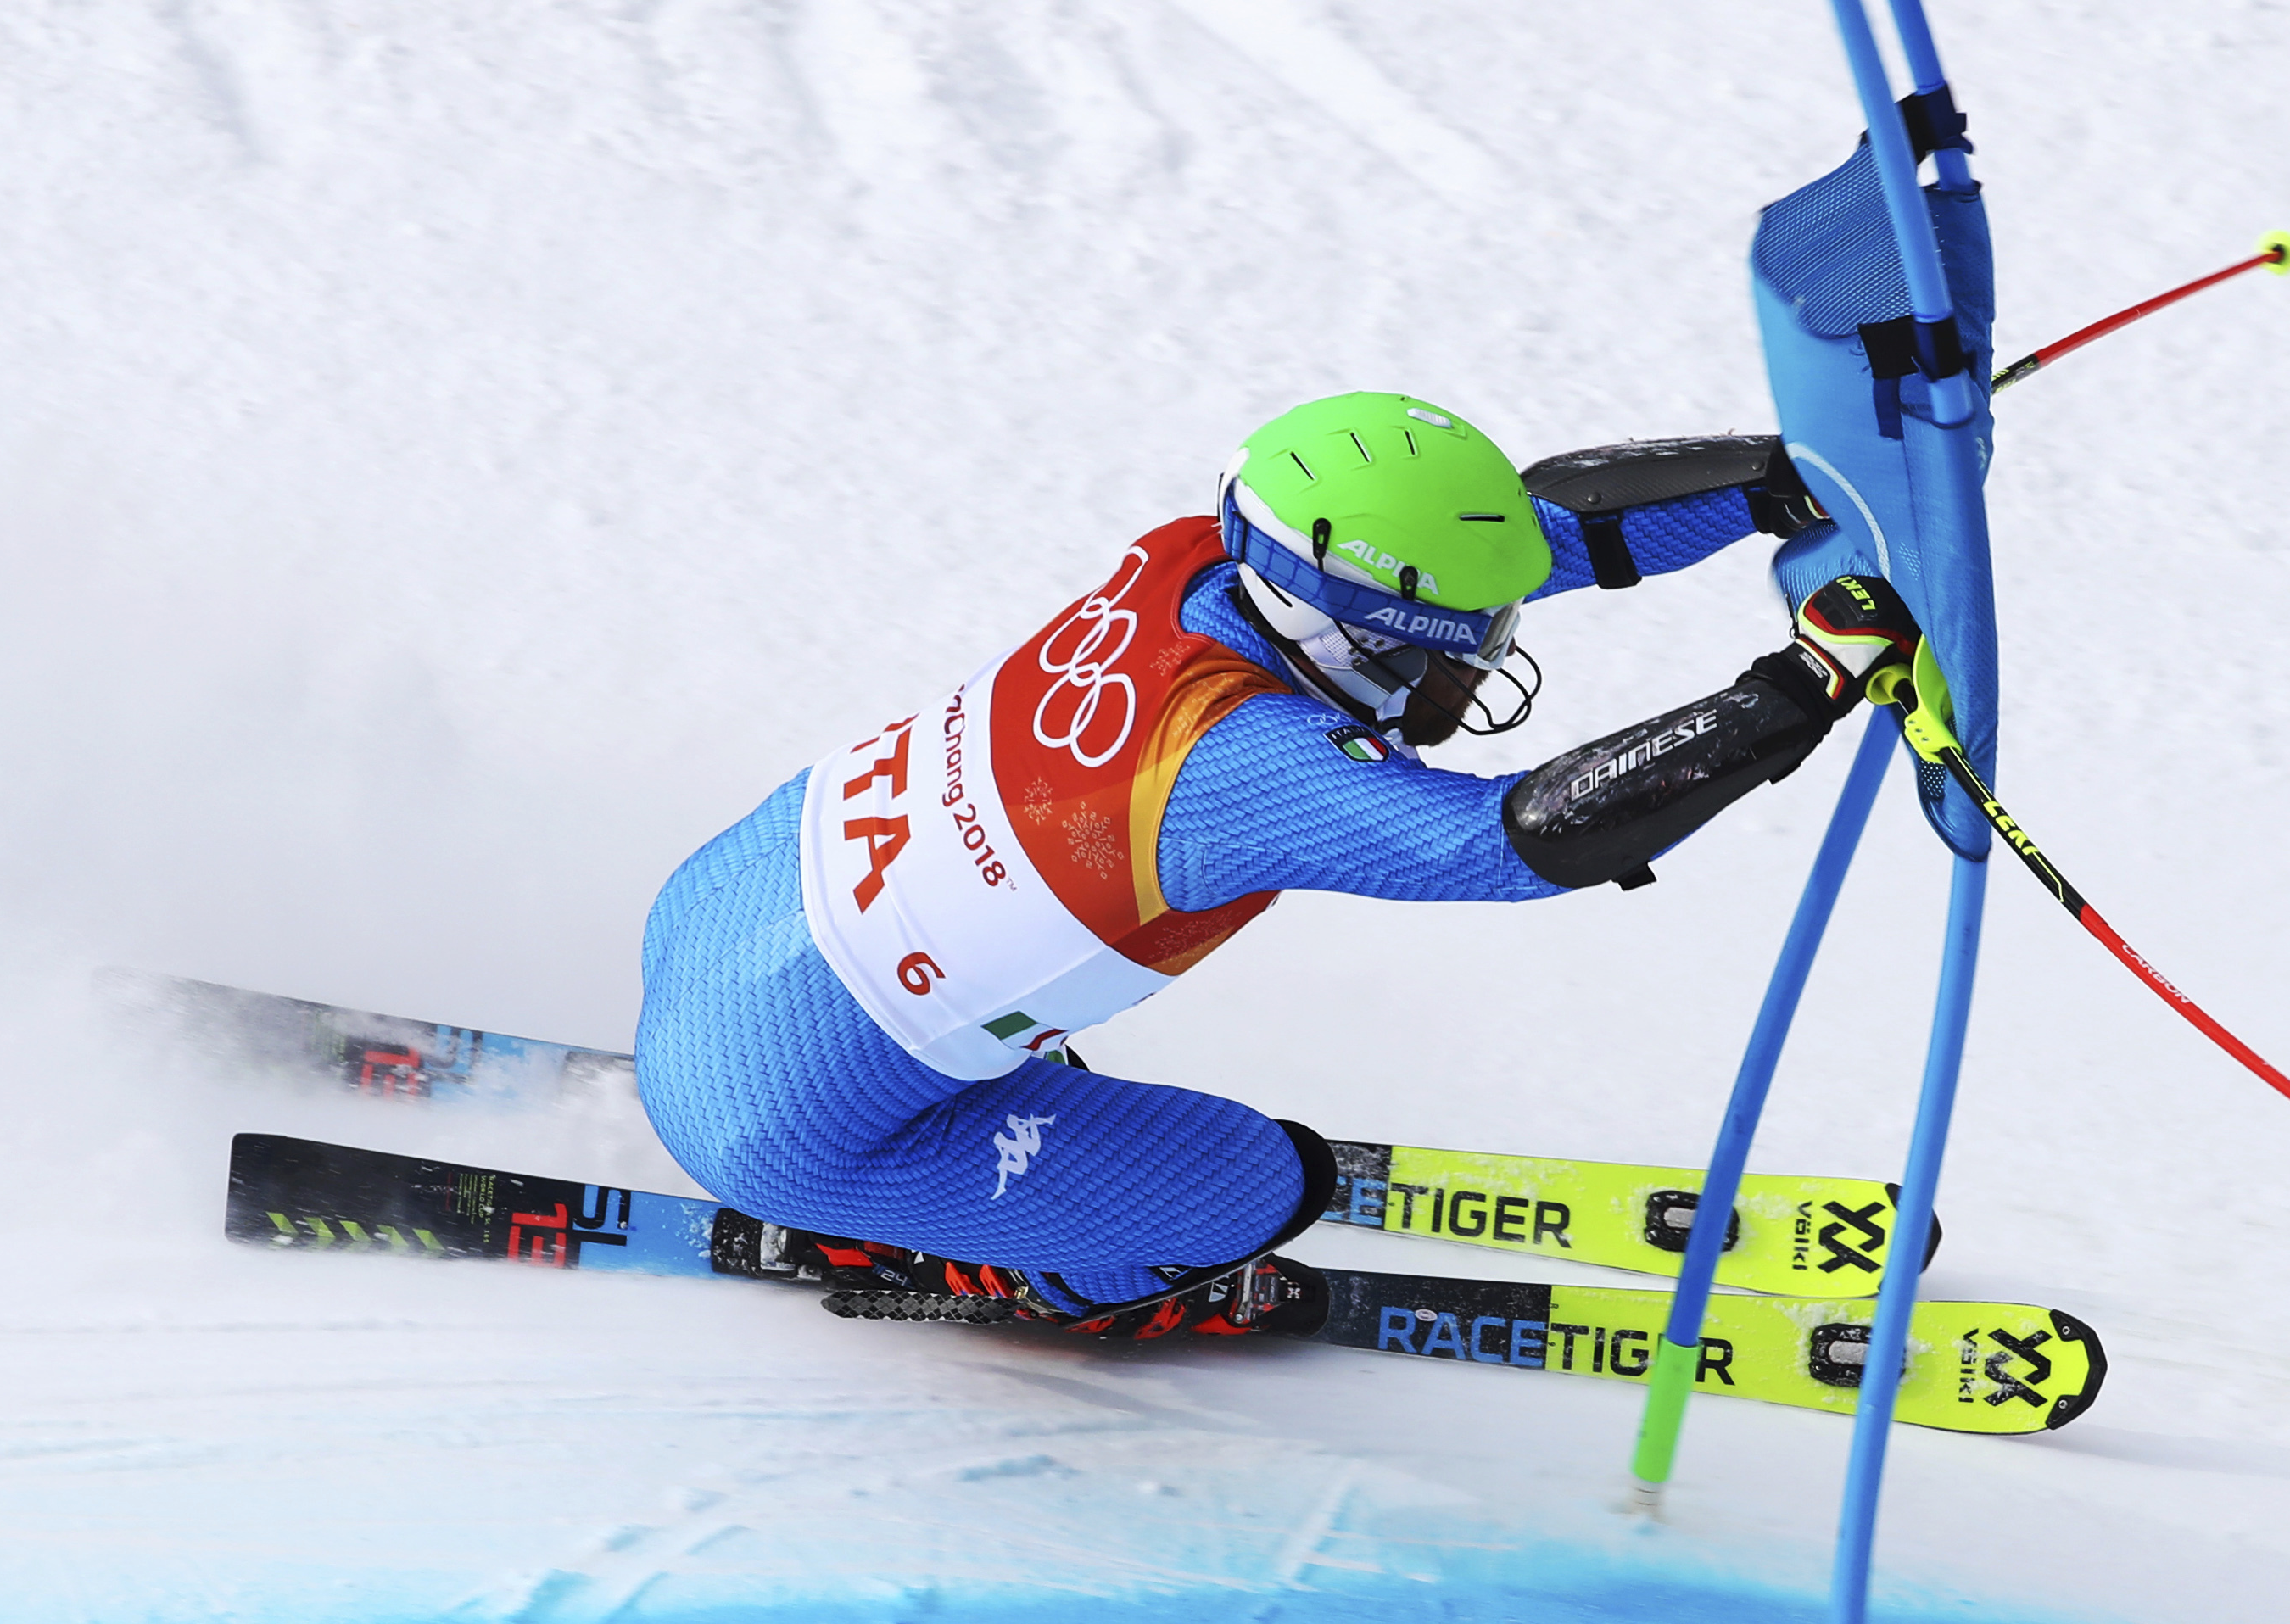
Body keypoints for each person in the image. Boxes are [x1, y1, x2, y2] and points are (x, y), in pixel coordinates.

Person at [632, 392, 1919, 1337]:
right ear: (1351, 631)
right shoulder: (1239, 769)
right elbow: (1516, 842)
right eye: (1449, 649)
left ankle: (983, 1117)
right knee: (1265, 1185)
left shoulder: (1199, 557)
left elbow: (1512, 531)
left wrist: (1779, 481)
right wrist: (1793, 694)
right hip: (783, 1132)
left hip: (723, 905)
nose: (1473, 663)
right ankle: (1051, 1279)